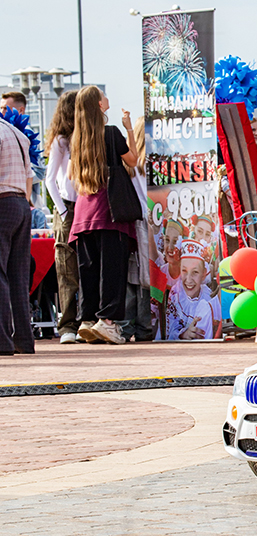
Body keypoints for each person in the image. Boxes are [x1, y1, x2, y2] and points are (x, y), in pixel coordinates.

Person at [67, 86, 138, 345]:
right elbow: (132, 160)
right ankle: (107, 322)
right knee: (112, 269)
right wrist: (129, 128)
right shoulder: (110, 133)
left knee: (88, 270)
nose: (108, 98)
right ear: (99, 105)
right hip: (110, 210)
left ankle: (87, 320)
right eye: (103, 95)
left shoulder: (79, 138)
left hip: (83, 213)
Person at [44, 90, 80, 344]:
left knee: (86, 267)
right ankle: (67, 324)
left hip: (86, 205)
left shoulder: (85, 139)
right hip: (67, 207)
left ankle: (84, 321)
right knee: (66, 268)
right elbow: (49, 179)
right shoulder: (61, 141)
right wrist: (63, 209)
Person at [0, 116, 35, 355]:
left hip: (3, 202)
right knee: (19, 277)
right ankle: (24, 339)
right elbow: (30, 174)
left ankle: (2, 341)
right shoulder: (15, 132)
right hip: (21, 203)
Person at [117, 116, 153, 343]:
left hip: (134, 222)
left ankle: (128, 325)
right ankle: (145, 326)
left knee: (135, 275)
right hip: (148, 221)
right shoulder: (148, 163)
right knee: (146, 277)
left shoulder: (130, 164)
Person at [163, 239, 215, 340]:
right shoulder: (175, 294)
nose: (188, 279)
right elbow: (170, 330)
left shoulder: (208, 296)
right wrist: (184, 334)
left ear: (203, 273)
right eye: (184, 271)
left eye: (195, 272)